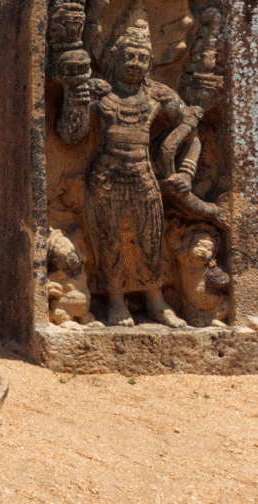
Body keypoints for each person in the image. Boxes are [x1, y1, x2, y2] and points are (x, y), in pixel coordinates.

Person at [55, 19, 201, 327]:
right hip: (105, 176)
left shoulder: (159, 95)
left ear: (150, 63)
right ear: (113, 59)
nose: (134, 63)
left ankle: (156, 299)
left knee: (150, 239)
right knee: (109, 239)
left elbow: (191, 132)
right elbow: (70, 135)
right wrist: (75, 100)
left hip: (144, 174)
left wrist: (187, 171)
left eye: (142, 58)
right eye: (128, 56)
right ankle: (116, 300)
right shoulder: (99, 92)